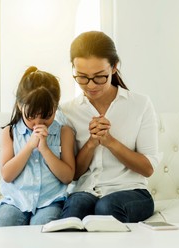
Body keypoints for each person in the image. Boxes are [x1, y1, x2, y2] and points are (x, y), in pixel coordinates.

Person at [59, 31, 159, 223]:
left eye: (99, 77)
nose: (90, 86)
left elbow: (147, 169)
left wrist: (110, 141)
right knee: (76, 206)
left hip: (131, 192)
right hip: (86, 190)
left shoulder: (140, 104)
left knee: (106, 206)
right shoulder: (68, 111)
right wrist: (91, 143)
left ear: (114, 67)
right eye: (82, 77)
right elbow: (73, 174)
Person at [0, 66, 75, 227]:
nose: (38, 123)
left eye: (46, 117)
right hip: (16, 202)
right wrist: (29, 147)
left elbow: (67, 176)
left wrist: (45, 149)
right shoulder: (10, 132)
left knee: (44, 228)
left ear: (56, 107)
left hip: (50, 201)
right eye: (31, 117)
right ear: (20, 106)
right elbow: (7, 175)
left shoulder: (65, 133)